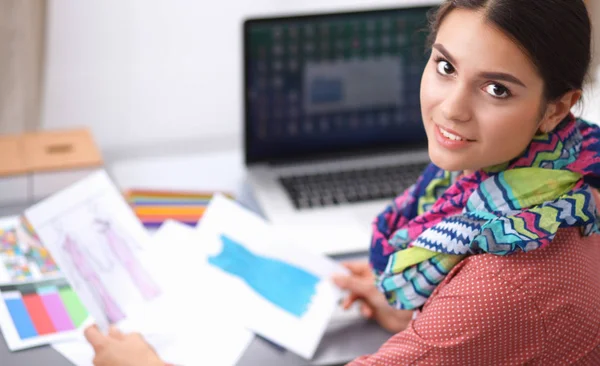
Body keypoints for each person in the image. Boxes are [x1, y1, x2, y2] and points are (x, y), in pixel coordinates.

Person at [83, 0, 600, 364]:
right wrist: (422, 312)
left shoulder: (506, 280)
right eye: (445, 66)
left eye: (495, 89)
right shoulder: (569, 176)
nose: (451, 108)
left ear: (556, 106)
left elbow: (511, 306)